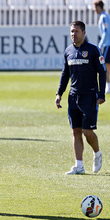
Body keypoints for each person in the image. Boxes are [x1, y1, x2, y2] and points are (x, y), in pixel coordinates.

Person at [55, 21, 106, 175]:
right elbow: (65, 74)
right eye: (71, 31)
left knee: (87, 131)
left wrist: (101, 94)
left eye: (76, 31)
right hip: (73, 96)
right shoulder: (68, 51)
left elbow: (102, 72)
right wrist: (59, 94)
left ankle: (97, 153)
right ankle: (79, 166)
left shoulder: (93, 50)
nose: (73, 34)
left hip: (89, 96)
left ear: (84, 33)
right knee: (76, 131)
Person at [93, 0, 110, 93]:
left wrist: (100, 44)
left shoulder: (103, 17)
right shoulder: (105, 16)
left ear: (99, 7)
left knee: (105, 66)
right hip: (107, 44)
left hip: (107, 44)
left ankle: (108, 86)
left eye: (95, 7)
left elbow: (106, 32)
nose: (94, 10)